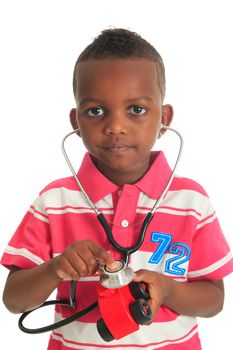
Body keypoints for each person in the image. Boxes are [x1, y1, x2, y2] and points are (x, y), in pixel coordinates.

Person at [1, 28, 233, 350]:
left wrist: (168, 290)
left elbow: (214, 300)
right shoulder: (54, 202)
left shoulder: (191, 202)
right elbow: (14, 300)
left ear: (164, 118)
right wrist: (56, 269)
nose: (115, 126)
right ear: (76, 121)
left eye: (136, 109)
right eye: (95, 111)